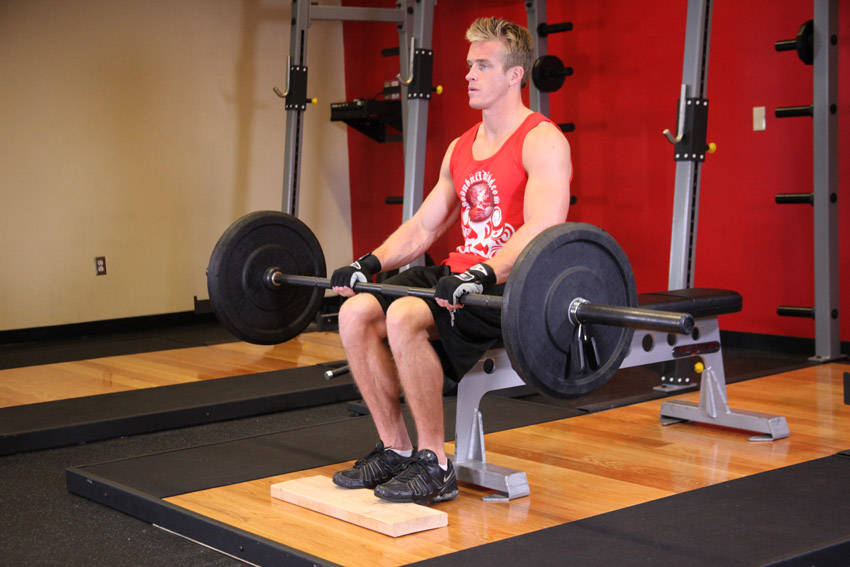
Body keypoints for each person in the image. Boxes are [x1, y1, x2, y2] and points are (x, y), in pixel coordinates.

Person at [329, 16, 572, 505]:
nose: (469, 75)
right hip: (460, 275)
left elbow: (543, 226)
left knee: (403, 314)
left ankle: (434, 465)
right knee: (355, 311)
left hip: (511, 284)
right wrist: (369, 264)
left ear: (514, 76)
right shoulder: (462, 146)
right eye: (468, 66)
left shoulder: (542, 139)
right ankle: (396, 450)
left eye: (483, 65)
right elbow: (424, 226)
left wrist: (486, 272)